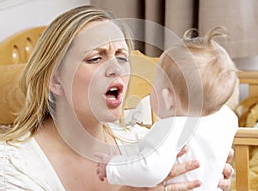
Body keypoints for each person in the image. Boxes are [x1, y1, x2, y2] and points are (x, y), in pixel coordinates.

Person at [0, 6, 233, 191]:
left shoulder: (144, 143)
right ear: (55, 81)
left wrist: (209, 176)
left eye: (121, 56)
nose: (116, 69)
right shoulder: (6, 172)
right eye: (95, 58)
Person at [96, 27, 238, 190]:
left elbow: (150, 169)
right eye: (95, 59)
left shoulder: (170, 128)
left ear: (167, 98)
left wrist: (111, 167)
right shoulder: (227, 119)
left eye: (156, 82)